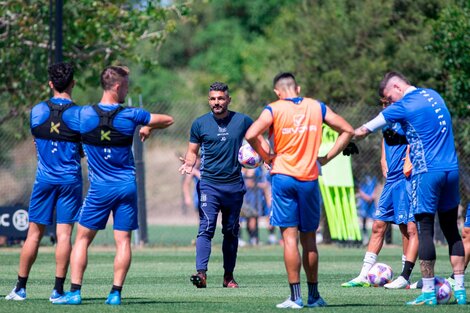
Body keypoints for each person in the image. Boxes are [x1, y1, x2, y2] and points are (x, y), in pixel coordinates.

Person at [53, 65, 174, 305]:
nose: (127, 89)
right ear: (117, 87)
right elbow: (168, 120)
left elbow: (60, 121)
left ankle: (75, 292)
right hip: (126, 187)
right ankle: (115, 293)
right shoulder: (132, 115)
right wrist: (148, 126)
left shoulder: (82, 115)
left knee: (82, 239)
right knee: (124, 242)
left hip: (100, 189)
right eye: (126, 86)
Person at [354, 71, 465, 305]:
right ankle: (462, 291)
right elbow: (423, 131)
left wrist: (342, 142)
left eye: (389, 97)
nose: (391, 102)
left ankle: (427, 293)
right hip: (451, 169)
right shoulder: (434, 95)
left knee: (425, 230)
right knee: (451, 230)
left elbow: (364, 129)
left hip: (427, 172)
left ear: (396, 86)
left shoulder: (403, 104)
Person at [245, 72, 355, 308]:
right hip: (309, 178)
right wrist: (326, 158)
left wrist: (267, 156)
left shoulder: (273, 109)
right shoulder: (317, 107)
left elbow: (252, 134)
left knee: (289, 239)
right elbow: (348, 130)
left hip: (283, 176)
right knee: (310, 241)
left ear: (277, 91)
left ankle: (295, 298)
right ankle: (314, 296)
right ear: (298, 87)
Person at [5, 62, 82, 302]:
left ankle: (20, 289)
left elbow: (39, 141)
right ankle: (58, 291)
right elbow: (82, 148)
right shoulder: (81, 114)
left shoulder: (37, 111)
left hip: (45, 179)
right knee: (64, 235)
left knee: (33, 235)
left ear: (50, 84)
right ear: (73, 83)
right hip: (70, 179)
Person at [179, 82, 267, 289]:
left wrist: (267, 158)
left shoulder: (243, 121)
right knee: (206, 227)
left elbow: (258, 141)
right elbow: (192, 151)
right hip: (209, 185)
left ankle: (228, 277)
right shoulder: (199, 124)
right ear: (209, 100)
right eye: (212, 99)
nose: (216, 102)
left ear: (228, 99)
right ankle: (201, 274)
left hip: (234, 186)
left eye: (220, 98)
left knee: (231, 231)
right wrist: (190, 163)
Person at [342, 121, 419, 289]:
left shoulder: (408, 115)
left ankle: (405, 277)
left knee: (406, 228)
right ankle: (364, 274)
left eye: (387, 101)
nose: (385, 105)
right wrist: (383, 158)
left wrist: (409, 157)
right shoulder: (387, 120)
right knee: (378, 225)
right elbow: (386, 138)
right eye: (383, 103)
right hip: (390, 180)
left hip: (406, 179)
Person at [241, 166, 272, 246]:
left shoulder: (258, 167)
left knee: (254, 218)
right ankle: (252, 238)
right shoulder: (250, 166)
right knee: (251, 218)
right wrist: (263, 185)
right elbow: (250, 183)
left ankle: (254, 239)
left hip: (256, 197)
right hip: (250, 197)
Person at [356, 174, 378, 241]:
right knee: (363, 219)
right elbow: (358, 188)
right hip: (364, 201)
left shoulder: (373, 176)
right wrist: (365, 196)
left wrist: (373, 195)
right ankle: (365, 237)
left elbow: (376, 187)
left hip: (372, 202)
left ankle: (375, 237)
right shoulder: (361, 176)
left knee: (376, 220)